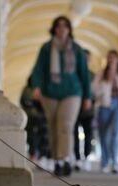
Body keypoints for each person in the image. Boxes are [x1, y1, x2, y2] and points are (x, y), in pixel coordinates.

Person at [31, 15, 91, 177]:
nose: (61, 29)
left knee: (66, 124)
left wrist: (87, 96)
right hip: (49, 92)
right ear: (54, 29)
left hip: (72, 92)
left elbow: (84, 74)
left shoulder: (77, 49)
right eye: (58, 26)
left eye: (65, 26)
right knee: (53, 126)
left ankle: (65, 159)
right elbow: (38, 69)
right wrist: (35, 86)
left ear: (69, 29)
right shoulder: (46, 48)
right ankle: (57, 161)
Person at [93, 49, 118, 174]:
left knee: (116, 133)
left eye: (114, 57)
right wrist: (107, 82)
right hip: (104, 105)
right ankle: (104, 162)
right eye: (109, 57)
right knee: (103, 134)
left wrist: (116, 80)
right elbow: (95, 91)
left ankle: (115, 162)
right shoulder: (101, 75)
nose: (111, 60)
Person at [73, 49, 95, 172]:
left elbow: (95, 92)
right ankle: (77, 158)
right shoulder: (74, 74)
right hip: (75, 107)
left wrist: (91, 100)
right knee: (74, 134)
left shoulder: (92, 75)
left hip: (88, 109)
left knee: (88, 134)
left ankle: (86, 157)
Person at [20, 76, 50, 162]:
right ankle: (33, 152)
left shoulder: (41, 89)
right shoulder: (27, 90)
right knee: (31, 135)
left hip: (39, 117)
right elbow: (24, 101)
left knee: (42, 135)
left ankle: (42, 154)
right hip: (30, 116)